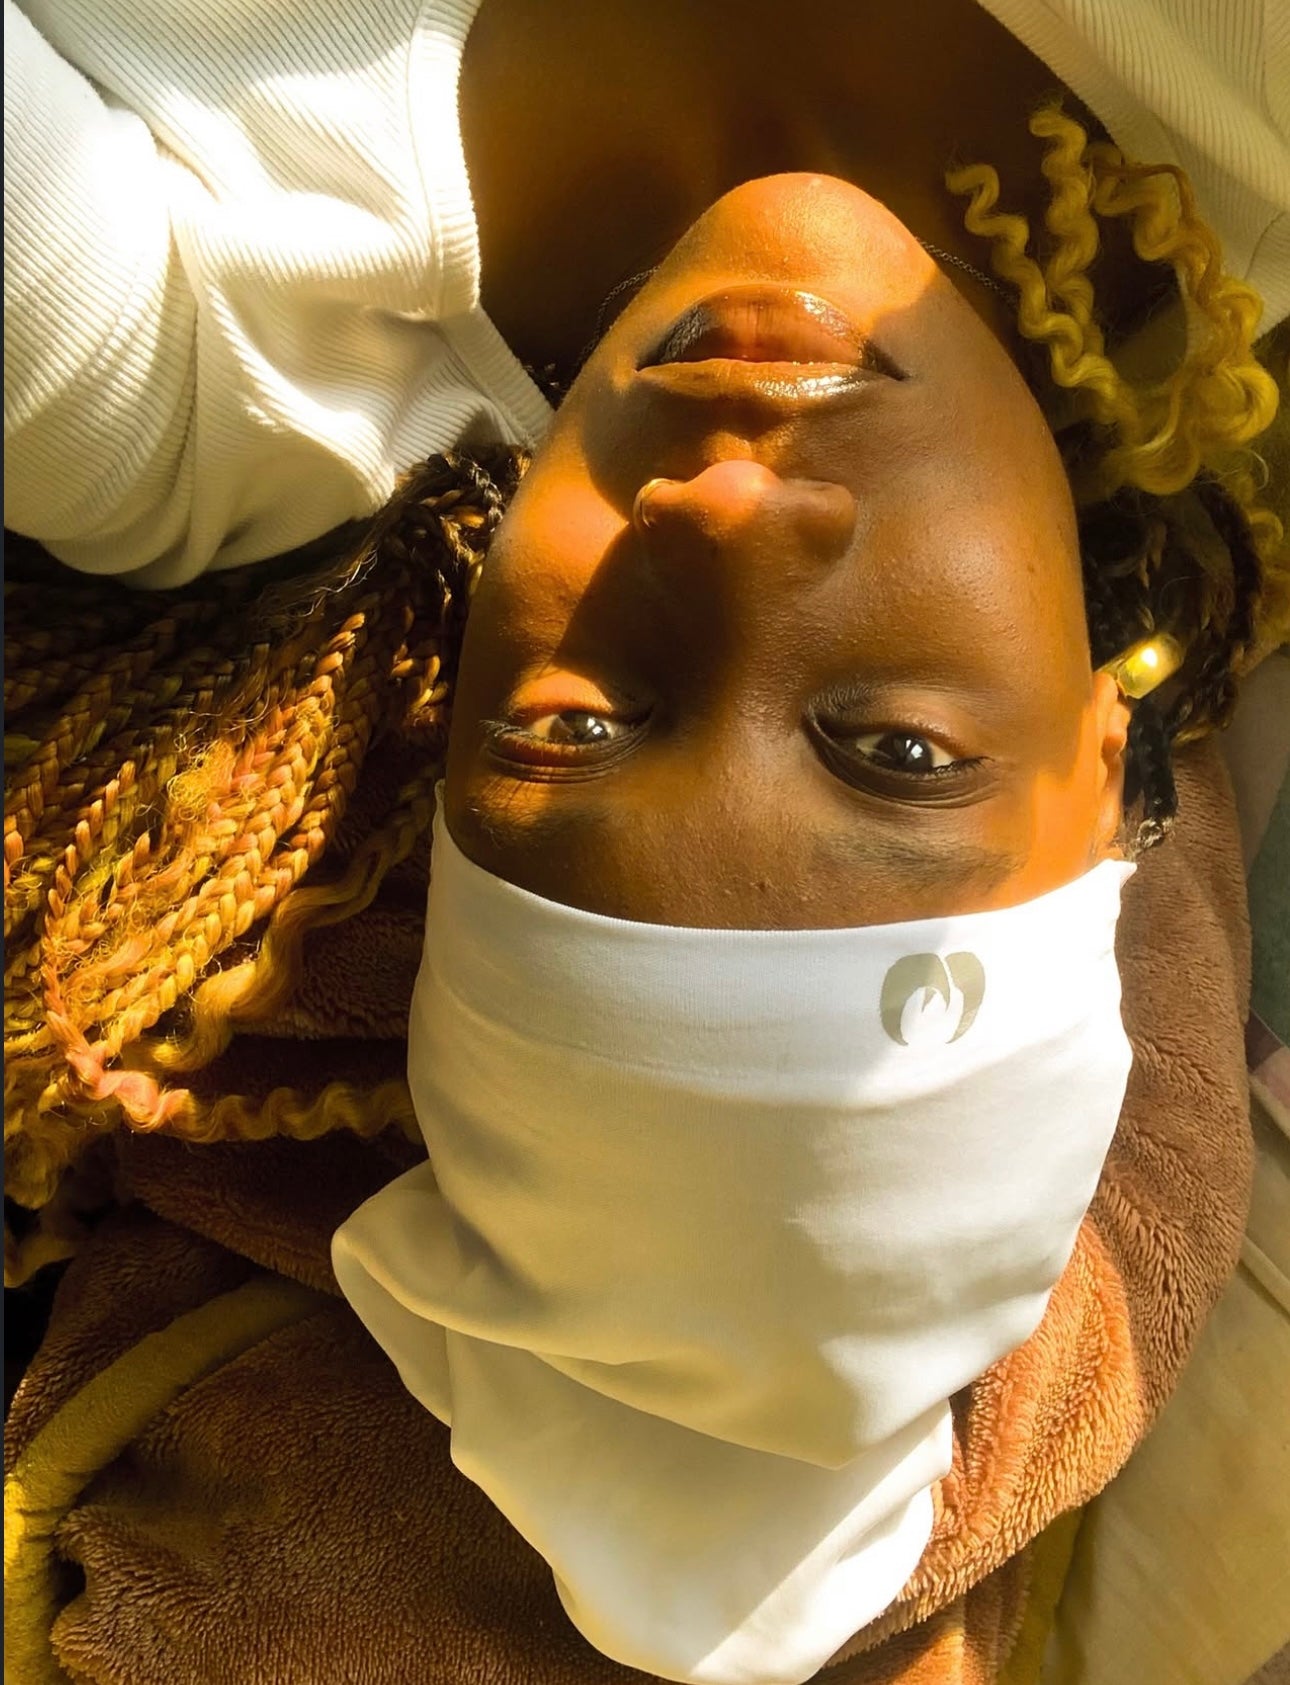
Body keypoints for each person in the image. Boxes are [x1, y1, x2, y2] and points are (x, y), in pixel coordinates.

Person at [3, 3, 1289, 1682]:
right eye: (894, 753)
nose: (726, 513)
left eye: (576, 726)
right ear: (1104, 763)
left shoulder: (161, 388)